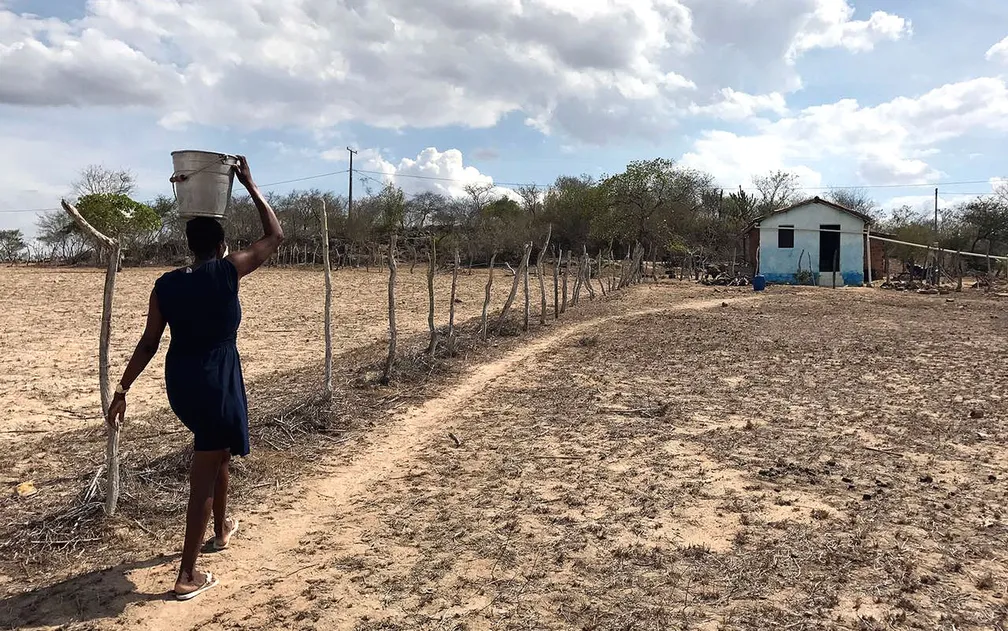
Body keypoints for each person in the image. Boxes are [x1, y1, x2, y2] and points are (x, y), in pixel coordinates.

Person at [107, 156, 283, 600]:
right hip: (217, 381)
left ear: (189, 246)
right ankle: (187, 575)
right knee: (204, 470)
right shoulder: (227, 273)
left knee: (217, 452)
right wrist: (250, 183)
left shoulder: (166, 284)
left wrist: (122, 388)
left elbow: (148, 344)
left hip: (181, 382)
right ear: (222, 244)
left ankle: (221, 529)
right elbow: (275, 236)